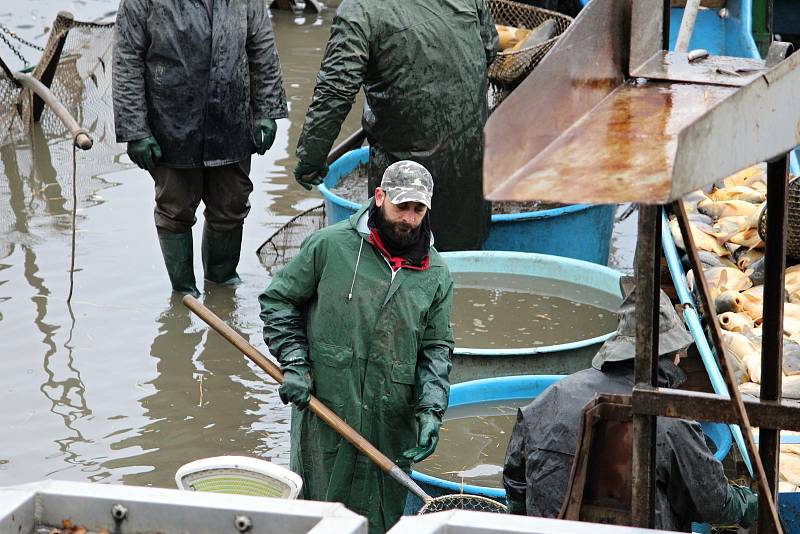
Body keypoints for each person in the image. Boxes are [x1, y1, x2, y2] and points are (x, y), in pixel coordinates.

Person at [259, 161, 454, 533]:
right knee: (318, 514)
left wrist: (431, 410)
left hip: (390, 422)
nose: (409, 219)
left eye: (418, 210)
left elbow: (436, 348)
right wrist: (296, 363)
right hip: (326, 410)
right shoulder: (330, 246)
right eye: (401, 207)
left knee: (381, 519)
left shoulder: (436, 274)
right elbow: (278, 302)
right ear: (379, 198)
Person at [503, 289, 758, 532]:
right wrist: (752, 503)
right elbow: (714, 503)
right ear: (671, 356)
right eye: (679, 352)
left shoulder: (549, 399)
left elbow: (515, 483)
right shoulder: (670, 421)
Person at [113, 0, 288, 298]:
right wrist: (135, 130)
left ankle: (222, 284)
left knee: (231, 205)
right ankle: (183, 293)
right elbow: (126, 59)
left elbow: (262, 49)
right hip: (170, 121)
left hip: (231, 117)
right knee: (175, 209)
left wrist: (267, 110)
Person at [293, 0, 498, 252]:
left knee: (395, 265)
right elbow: (489, 48)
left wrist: (311, 156)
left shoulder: (359, 9)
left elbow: (335, 92)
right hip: (471, 169)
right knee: (459, 268)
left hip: (403, 175)